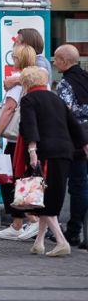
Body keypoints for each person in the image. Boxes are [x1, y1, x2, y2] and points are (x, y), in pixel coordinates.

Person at [19, 65, 88, 258]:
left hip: (46, 153)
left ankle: (61, 241)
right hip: (66, 152)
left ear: (26, 82)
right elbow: (73, 125)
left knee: (46, 199)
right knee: (46, 197)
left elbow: (30, 125)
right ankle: (39, 243)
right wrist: (85, 147)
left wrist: (32, 151)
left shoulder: (28, 100)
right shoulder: (56, 99)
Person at [0, 41, 40, 241]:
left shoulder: (18, 82)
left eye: (16, 57)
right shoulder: (34, 79)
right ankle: (18, 223)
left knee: (11, 181)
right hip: (28, 137)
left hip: (16, 138)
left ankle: (32, 220)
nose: (13, 60)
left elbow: (9, 109)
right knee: (24, 178)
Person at [52, 44, 88, 249]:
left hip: (75, 141)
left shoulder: (66, 84)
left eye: (56, 59)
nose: (54, 62)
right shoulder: (86, 77)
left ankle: (73, 231)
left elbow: (63, 112)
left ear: (65, 61)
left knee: (77, 186)